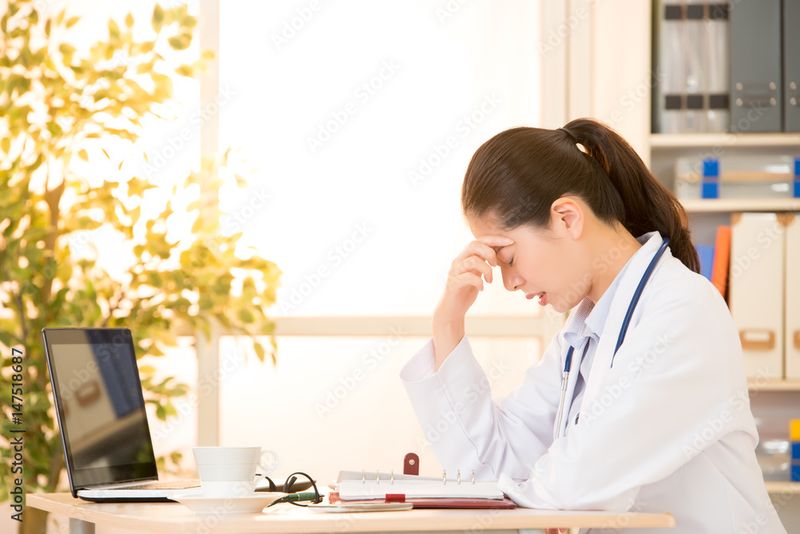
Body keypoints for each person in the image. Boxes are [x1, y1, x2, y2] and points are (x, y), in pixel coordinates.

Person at [400, 118, 786, 533]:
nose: (509, 282)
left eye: (509, 259)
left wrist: (506, 495)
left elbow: (574, 485)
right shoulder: (581, 335)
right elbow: (492, 465)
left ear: (566, 218)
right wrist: (449, 323)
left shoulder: (683, 311)